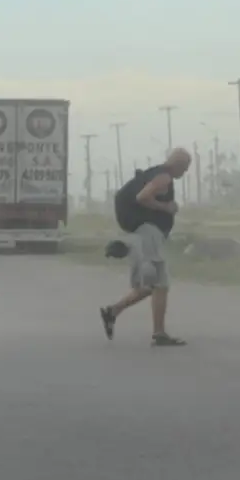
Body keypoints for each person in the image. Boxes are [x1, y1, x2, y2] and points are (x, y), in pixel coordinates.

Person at [99, 148, 192, 346]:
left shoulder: (155, 173)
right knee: (160, 283)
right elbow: (142, 197)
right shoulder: (163, 178)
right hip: (148, 233)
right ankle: (159, 334)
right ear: (177, 164)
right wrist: (166, 208)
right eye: (185, 168)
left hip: (143, 234)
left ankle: (113, 311)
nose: (185, 172)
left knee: (151, 284)